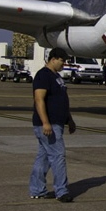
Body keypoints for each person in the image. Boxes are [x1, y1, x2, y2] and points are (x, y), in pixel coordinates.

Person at [30, 48, 77, 202]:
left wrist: (69, 119)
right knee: (58, 156)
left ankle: (37, 189)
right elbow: (39, 99)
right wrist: (45, 122)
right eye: (62, 61)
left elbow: (62, 100)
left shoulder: (56, 77)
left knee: (43, 158)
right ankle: (61, 191)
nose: (64, 64)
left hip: (57, 123)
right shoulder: (43, 75)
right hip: (48, 124)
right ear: (53, 59)